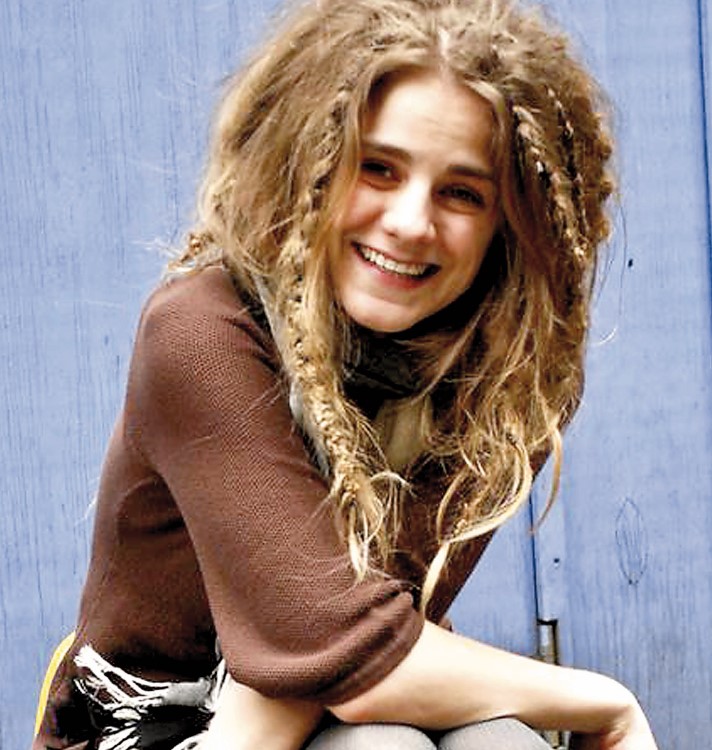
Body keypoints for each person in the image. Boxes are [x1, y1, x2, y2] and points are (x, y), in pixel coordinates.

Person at [33, 0, 659, 748]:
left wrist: (375, 663)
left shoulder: (505, 382)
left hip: (328, 704)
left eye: (463, 192)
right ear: (308, 160)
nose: (411, 222)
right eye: (378, 168)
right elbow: (342, 653)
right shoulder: (200, 332)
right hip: (151, 724)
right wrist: (607, 702)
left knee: (498, 743)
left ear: (510, 221)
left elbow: (365, 651)